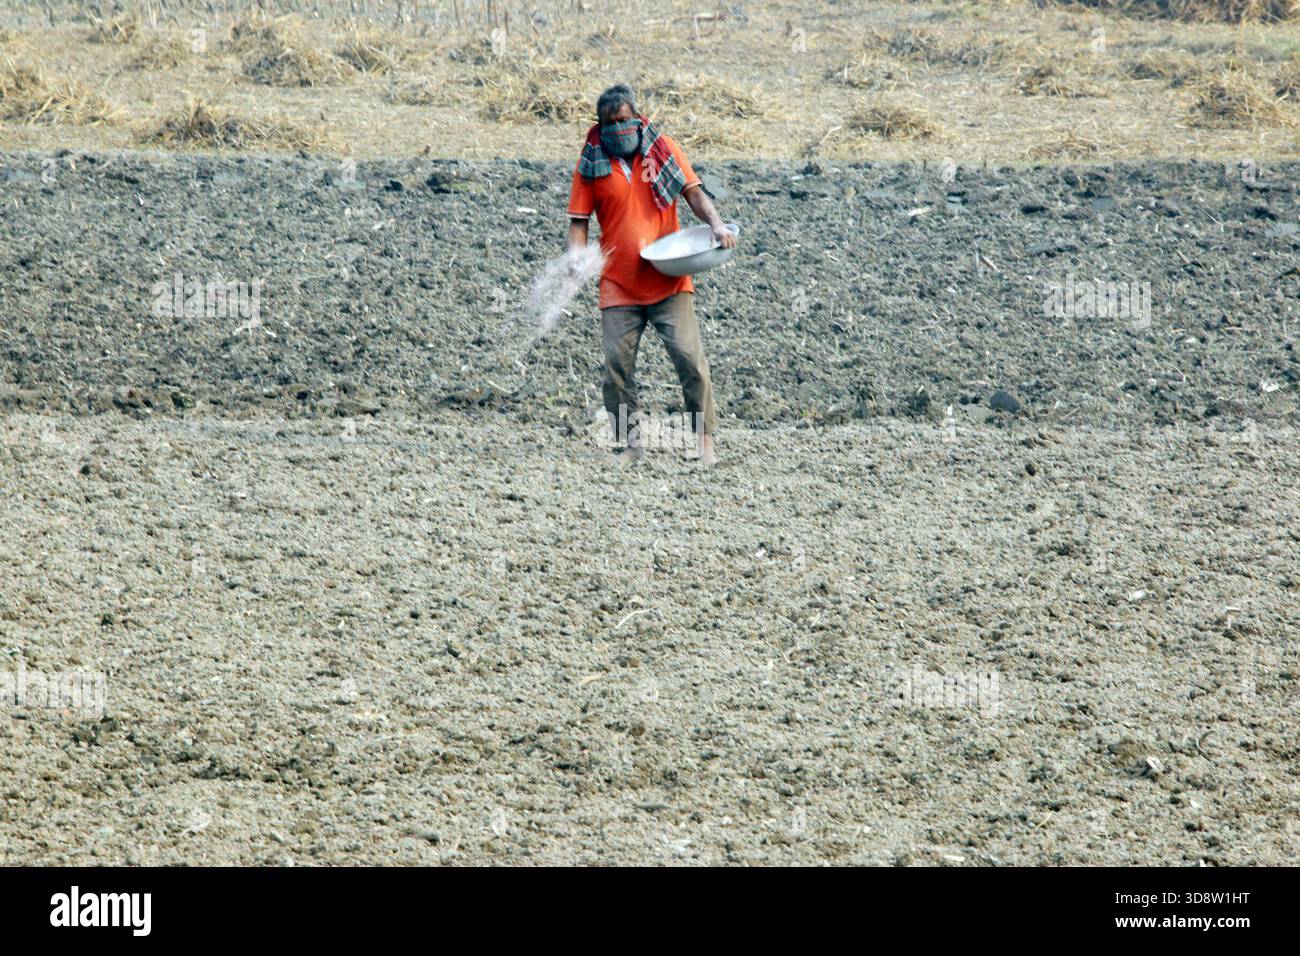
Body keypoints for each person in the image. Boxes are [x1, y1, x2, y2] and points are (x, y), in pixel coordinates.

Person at [565, 83, 736, 466]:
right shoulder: (592, 160)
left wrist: (717, 226)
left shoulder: (662, 150)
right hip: (618, 284)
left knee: (690, 360)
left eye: (624, 120)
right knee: (617, 370)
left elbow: (693, 194)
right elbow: (579, 221)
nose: (618, 129)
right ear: (600, 126)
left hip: (668, 281)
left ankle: (704, 442)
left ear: (637, 119)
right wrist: (575, 259)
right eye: (610, 124)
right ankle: (631, 445)